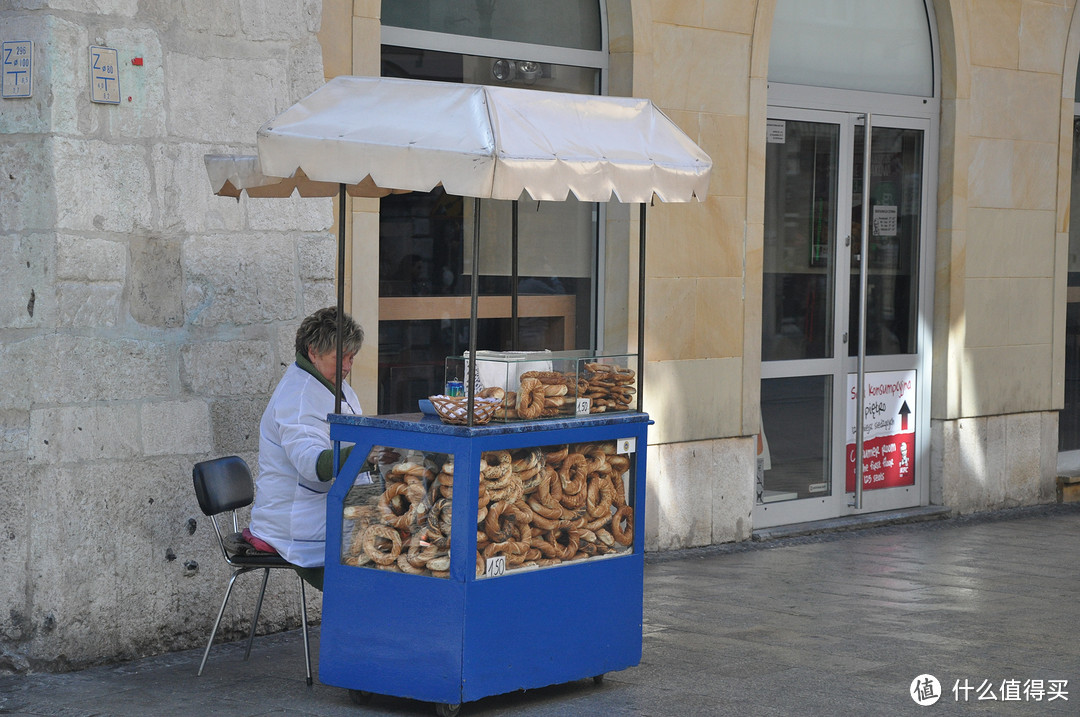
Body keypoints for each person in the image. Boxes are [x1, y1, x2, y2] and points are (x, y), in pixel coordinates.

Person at [248, 307, 364, 591]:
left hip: (322, 507)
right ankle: (359, 625)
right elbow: (314, 466)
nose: (348, 366)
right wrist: (369, 450)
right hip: (293, 519)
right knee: (374, 544)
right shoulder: (297, 397)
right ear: (313, 352)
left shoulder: (336, 385)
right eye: (341, 358)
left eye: (352, 358)